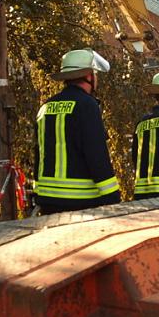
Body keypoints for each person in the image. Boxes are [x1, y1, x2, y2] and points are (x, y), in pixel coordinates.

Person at [34, 48, 120, 214]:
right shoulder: (87, 105)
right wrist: (112, 196)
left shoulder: (45, 107)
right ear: (88, 76)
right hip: (80, 202)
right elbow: (96, 153)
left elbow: (38, 153)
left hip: (46, 200)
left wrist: (38, 192)